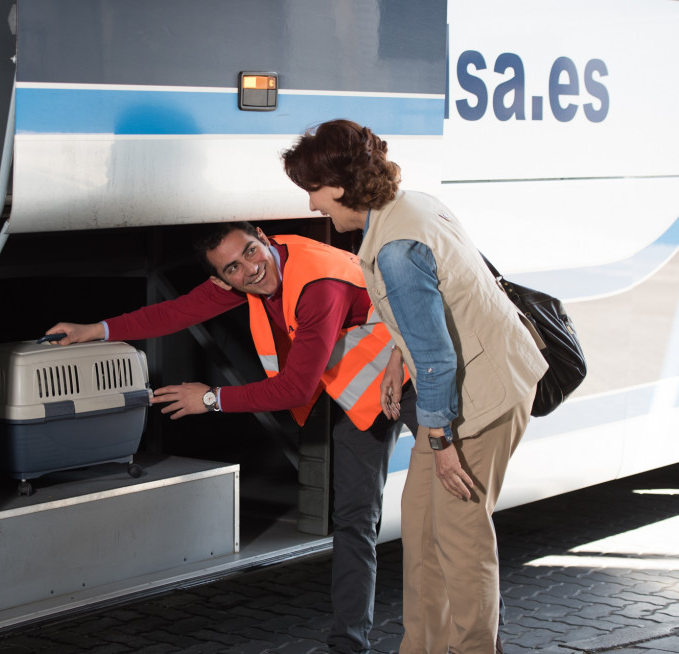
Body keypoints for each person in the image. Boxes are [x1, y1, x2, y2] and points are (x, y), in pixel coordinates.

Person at [46, 221, 416, 653]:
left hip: (416, 379)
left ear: (263, 237)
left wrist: (210, 399)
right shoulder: (241, 280)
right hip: (364, 398)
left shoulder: (318, 284)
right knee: (355, 523)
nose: (250, 270)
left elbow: (295, 389)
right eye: (233, 269)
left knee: (448, 517)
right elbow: (174, 312)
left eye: (251, 252)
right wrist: (94, 330)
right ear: (220, 279)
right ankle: (348, 646)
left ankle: (481, 637)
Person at [282, 119, 548, 654]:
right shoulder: (410, 206)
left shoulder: (396, 248)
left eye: (313, 190)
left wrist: (442, 442)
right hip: (466, 386)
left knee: (460, 537)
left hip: (482, 398)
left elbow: (438, 356)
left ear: (337, 185)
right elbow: (434, 311)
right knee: (424, 534)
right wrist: (394, 361)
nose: (312, 205)